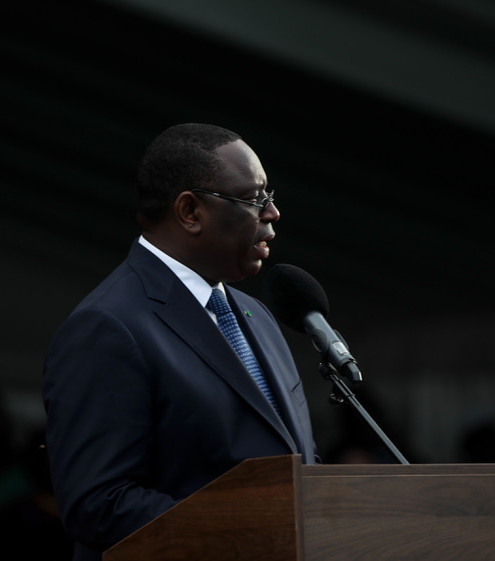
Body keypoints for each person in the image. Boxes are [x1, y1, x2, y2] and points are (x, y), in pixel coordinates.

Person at [42, 123, 317, 560]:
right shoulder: (107, 327)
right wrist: (249, 533)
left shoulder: (258, 317)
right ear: (190, 212)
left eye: (270, 196)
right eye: (254, 198)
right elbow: (97, 504)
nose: (272, 213)